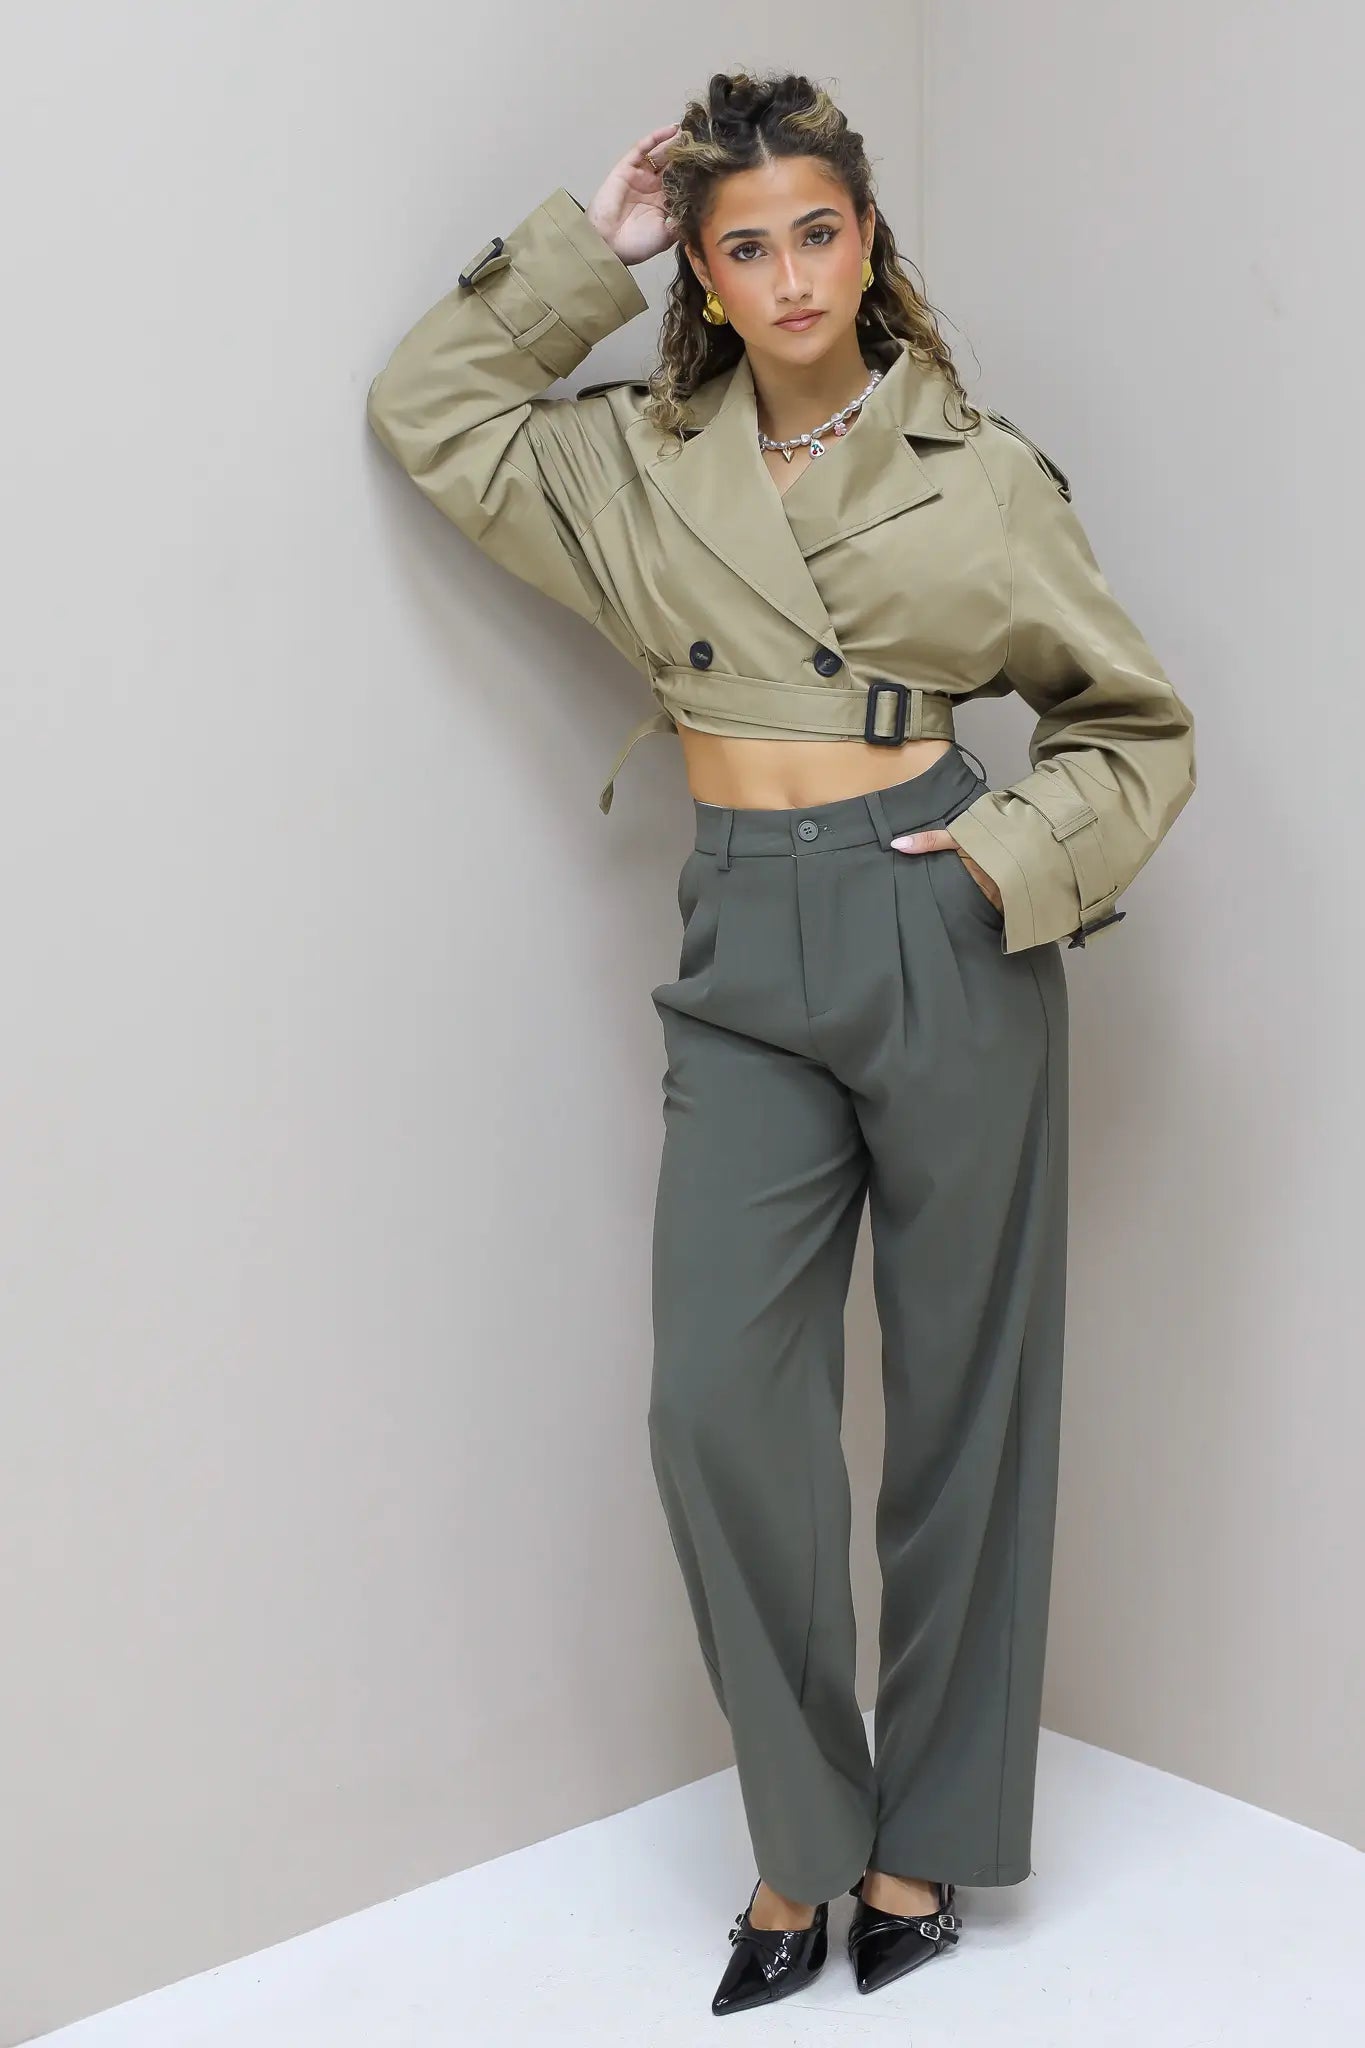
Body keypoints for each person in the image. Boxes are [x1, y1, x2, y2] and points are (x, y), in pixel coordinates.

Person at [366, 68, 1196, 2019]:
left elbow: (1127, 726)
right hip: (739, 934)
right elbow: (432, 409)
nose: (791, 273)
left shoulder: (976, 471)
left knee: (966, 1402)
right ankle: (800, 1831)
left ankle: (927, 1838)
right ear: (708, 278)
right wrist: (587, 247)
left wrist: (1000, 864)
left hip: (941, 920)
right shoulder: (633, 465)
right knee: (714, 1406)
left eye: (818, 230)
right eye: (745, 246)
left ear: (867, 240)